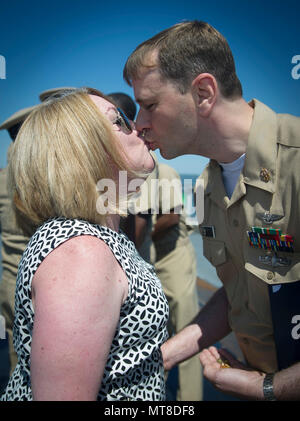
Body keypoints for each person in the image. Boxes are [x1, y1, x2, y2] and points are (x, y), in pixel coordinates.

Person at [123, 20, 300, 400]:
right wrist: (161, 357)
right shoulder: (207, 185)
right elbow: (239, 288)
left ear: (203, 92)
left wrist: (270, 388)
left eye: (149, 105)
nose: (139, 125)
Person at [0, 87, 169, 401]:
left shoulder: (96, 237)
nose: (139, 127)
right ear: (86, 149)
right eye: (119, 122)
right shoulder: (82, 254)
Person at [134, 162, 202, 401]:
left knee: (188, 332)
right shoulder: (130, 177)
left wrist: (138, 238)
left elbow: (172, 216)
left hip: (173, 257)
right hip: (149, 257)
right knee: (155, 333)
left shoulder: (166, 173)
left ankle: (190, 398)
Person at [0, 106, 38, 380]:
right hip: (37, 285)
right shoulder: (39, 179)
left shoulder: (2, 177)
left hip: (9, 279)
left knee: (17, 365)